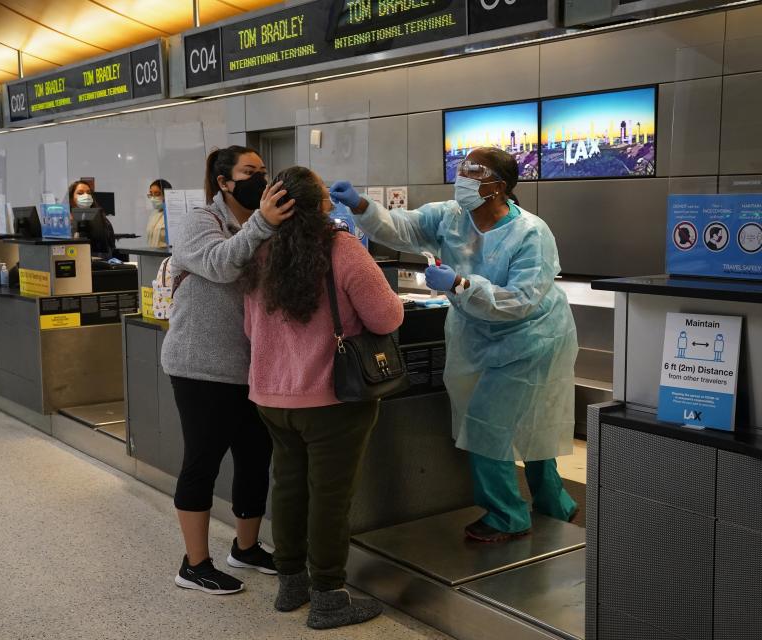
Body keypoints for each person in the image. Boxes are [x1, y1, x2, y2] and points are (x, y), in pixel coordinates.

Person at [330, 147, 579, 543]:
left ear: (498, 187)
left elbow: (521, 300)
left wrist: (462, 285)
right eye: (461, 170)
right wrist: (361, 205)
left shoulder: (531, 233)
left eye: (473, 173)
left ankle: (507, 515)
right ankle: (554, 502)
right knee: (521, 421)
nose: (462, 179)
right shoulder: (450, 216)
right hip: (477, 335)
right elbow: (401, 228)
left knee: (490, 423)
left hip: (531, 339)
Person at [241, 166, 403, 629]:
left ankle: (290, 583)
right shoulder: (343, 250)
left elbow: (251, 328)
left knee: (288, 487)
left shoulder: (258, 253)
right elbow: (387, 318)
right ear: (323, 204)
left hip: (272, 398)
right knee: (330, 497)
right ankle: (329, 596)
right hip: (333, 400)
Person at [160, 146, 295, 595]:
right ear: (224, 181)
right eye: (249, 172)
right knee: (202, 461)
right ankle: (194, 564)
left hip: (251, 368)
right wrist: (264, 224)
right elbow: (219, 264)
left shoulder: (264, 227)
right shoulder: (202, 221)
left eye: (263, 170)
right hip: (200, 366)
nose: (261, 178)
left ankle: (246, 547)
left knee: (255, 460)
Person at [67, 179, 114, 255]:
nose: (86, 196)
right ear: (71, 199)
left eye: (89, 193)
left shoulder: (102, 220)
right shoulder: (65, 221)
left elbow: (109, 246)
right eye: (80, 193)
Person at [146, 178, 173, 248]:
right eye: (151, 194)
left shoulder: (172, 215)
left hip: (167, 256)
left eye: (157, 193)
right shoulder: (154, 215)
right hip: (152, 256)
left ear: (166, 194)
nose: (153, 198)